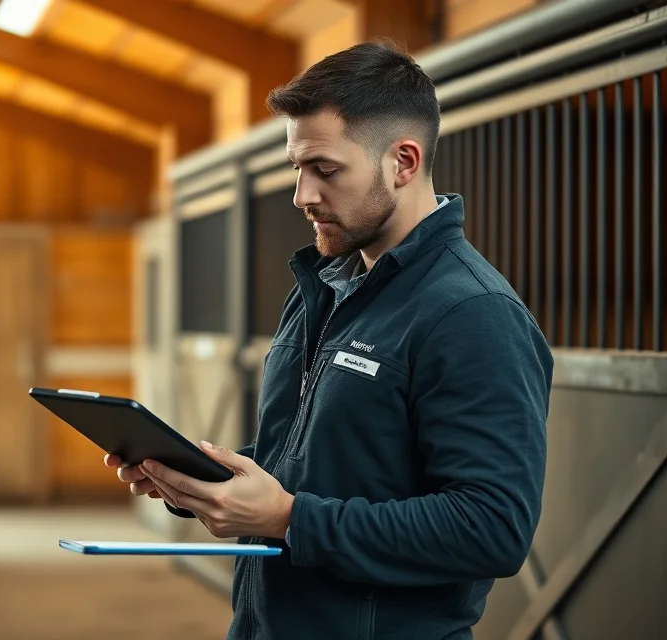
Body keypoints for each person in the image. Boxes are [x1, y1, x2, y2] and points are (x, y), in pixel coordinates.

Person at [105, 40, 553, 639]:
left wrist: (289, 519)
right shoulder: (326, 285)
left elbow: (492, 528)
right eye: (298, 167)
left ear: (404, 162)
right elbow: (316, 461)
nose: (302, 195)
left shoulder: (473, 314)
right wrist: (199, 482)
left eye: (326, 169)